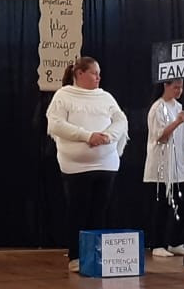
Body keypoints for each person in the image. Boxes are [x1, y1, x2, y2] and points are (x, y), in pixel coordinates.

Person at [46, 57, 128, 272]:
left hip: (106, 164)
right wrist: (87, 136)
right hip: (76, 167)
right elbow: (56, 124)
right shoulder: (63, 95)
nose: (98, 77)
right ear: (79, 73)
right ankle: (76, 256)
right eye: (94, 73)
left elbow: (121, 120)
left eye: (99, 74)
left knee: (99, 212)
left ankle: (96, 256)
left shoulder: (106, 97)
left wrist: (108, 136)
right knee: (77, 212)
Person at [143, 79, 184, 258]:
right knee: (162, 206)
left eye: (181, 87)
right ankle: (157, 244)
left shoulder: (181, 108)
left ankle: (176, 241)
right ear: (165, 86)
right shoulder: (157, 108)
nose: (179, 91)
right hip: (162, 164)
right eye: (175, 87)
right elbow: (160, 137)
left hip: (181, 165)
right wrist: (176, 122)